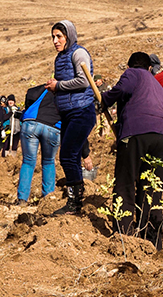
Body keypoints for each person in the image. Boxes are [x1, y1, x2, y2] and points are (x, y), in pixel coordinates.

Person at [101, 52, 163, 249]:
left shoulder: (133, 73)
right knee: (151, 187)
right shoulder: (156, 83)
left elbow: (122, 89)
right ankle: (151, 240)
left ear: (131, 65)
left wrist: (104, 99)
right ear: (150, 67)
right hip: (162, 137)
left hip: (137, 132)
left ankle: (124, 238)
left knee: (125, 183)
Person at [45, 20, 97, 216]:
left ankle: (75, 203)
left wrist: (57, 86)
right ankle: (75, 202)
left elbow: (84, 80)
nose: (55, 40)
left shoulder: (78, 53)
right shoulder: (61, 57)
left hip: (82, 110)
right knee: (71, 156)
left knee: (67, 155)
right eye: (53, 37)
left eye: (59, 36)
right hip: (69, 112)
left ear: (69, 36)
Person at [16, 84, 61, 205]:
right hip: (54, 128)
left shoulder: (46, 88)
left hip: (31, 123)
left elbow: (31, 92)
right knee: (48, 162)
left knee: (28, 162)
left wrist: (27, 106)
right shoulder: (67, 93)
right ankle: (48, 199)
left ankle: (22, 199)